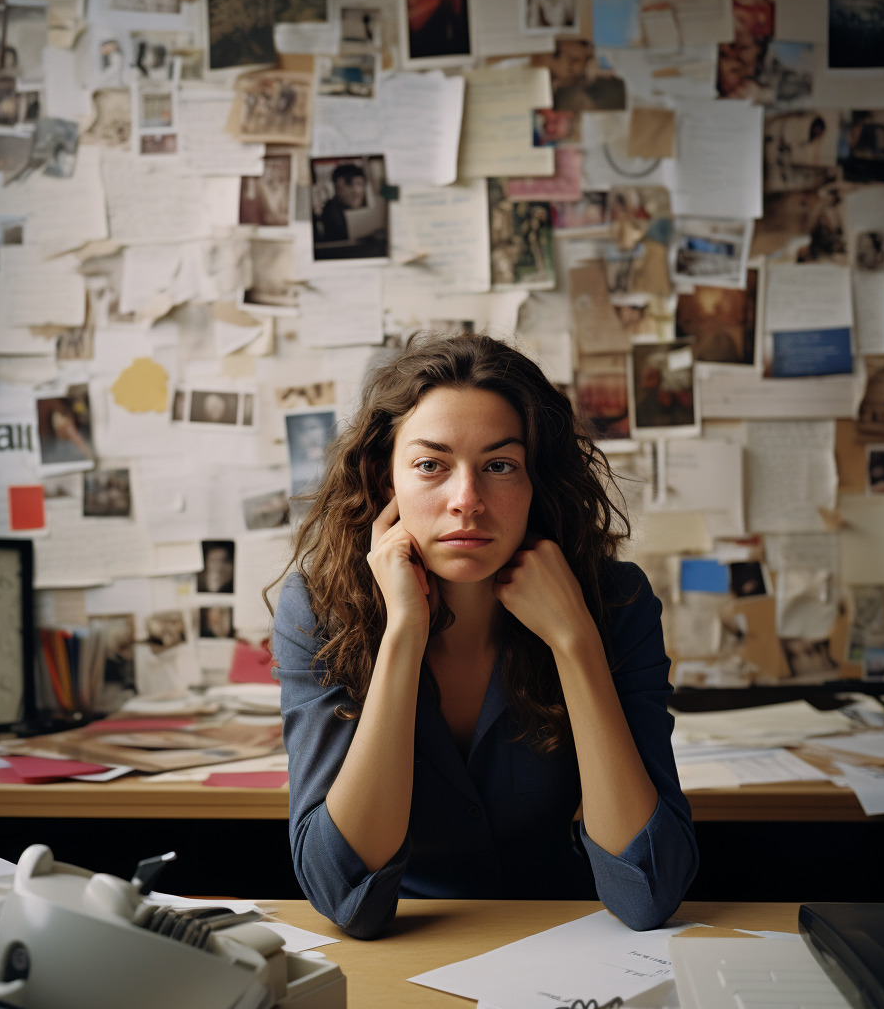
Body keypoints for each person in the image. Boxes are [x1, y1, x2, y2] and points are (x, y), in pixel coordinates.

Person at [271, 333, 698, 940]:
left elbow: (648, 892)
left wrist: (574, 641)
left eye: (499, 465)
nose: (465, 501)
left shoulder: (615, 600)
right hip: (411, 960)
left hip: (576, 949)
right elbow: (346, 898)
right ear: (383, 478)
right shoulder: (318, 609)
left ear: (536, 481)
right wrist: (402, 636)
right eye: (430, 466)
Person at [316, 163, 366, 243]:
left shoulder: (365, 210)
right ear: (338, 185)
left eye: (360, 184)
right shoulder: (331, 211)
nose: (357, 191)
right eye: (350, 185)